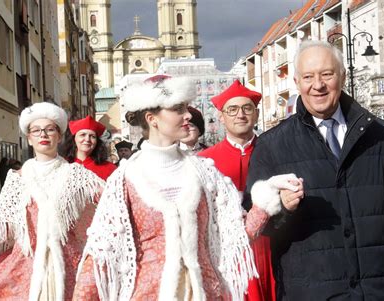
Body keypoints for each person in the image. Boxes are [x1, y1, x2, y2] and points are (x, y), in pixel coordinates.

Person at [72, 75, 298, 300]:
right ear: (152, 118)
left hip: (207, 293)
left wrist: (266, 197)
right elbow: (100, 258)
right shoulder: (124, 179)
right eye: (178, 109)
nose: (188, 114)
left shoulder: (205, 172)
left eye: (186, 107)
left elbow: (238, 236)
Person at [245, 40, 384, 300]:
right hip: (311, 290)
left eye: (327, 74)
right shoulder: (271, 145)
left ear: (342, 77)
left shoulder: (381, 134)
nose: (318, 85)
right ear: (297, 82)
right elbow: (257, 225)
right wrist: (285, 210)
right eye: (309, 76)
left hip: (378, 288)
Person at [0, 102, 105, 300]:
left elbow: (111, 208)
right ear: (28, 138)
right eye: (36, 130)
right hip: (24, 267)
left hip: (69, 266)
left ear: (59, 135)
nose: (43, 135)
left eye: (49, 129)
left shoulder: (79, 176)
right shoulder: (17, 179)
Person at [199, 79, 276, 301]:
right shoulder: (204, 161)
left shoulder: (275, 152)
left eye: (246, 108)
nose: (240, 115)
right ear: (221, 117)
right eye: (232, 109)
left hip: (273, 250)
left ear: (256, 114)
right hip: (227, 256)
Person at [62, 115, 116, 180]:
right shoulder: (63, 165)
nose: (87, 139)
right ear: (74, 139)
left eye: (92, 136)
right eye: (82, 135)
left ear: (97, 142)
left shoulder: (110, 169)